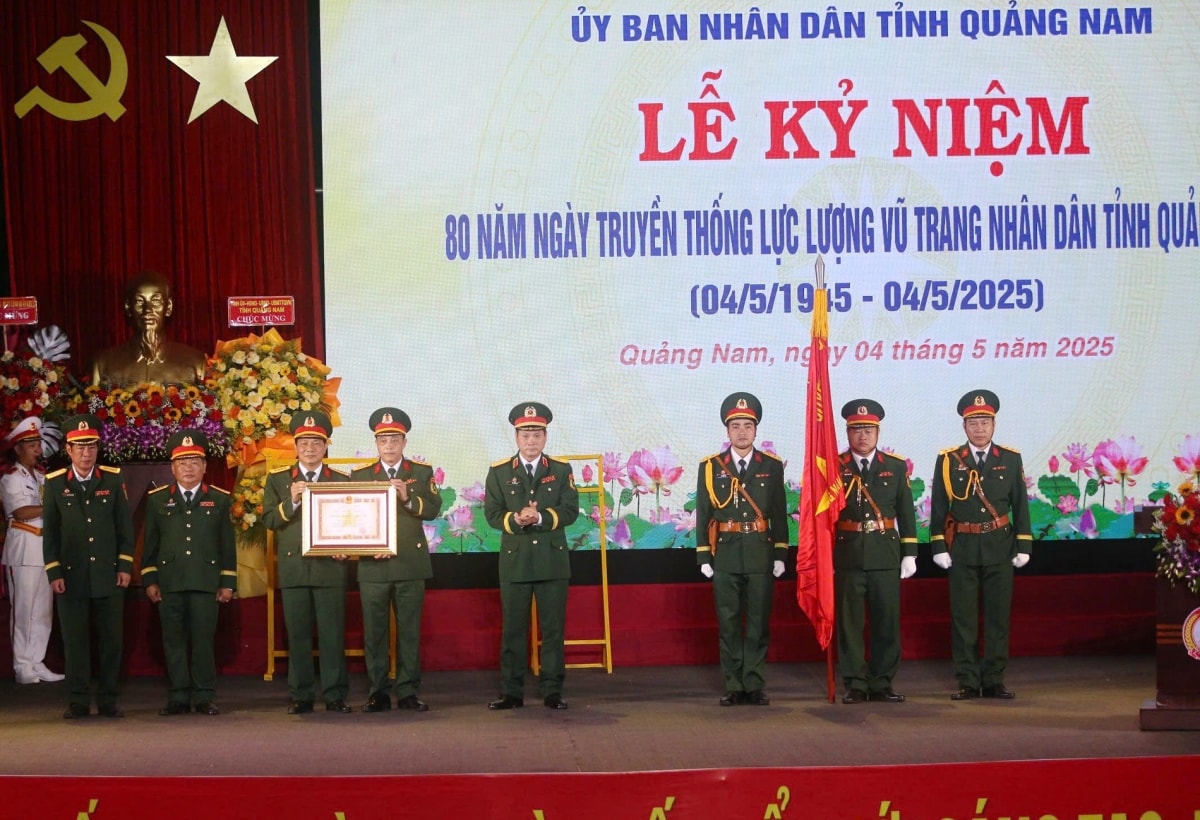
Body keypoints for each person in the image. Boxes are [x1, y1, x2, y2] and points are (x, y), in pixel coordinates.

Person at [930, 390, 1032, 700]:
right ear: (964, 426)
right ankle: (967, 680)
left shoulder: (1010, 458)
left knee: (998, 618)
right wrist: (938, 546)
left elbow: (1020, 505)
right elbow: (939, 506)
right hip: (962, 547)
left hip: (1000, 546)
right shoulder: (948, 459)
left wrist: (1024, 545)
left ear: (994, 425)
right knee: (963, 619)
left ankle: (994, 679)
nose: (979, 429)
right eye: (973, 423)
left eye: (985, 422)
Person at [694, 392, 789, 706]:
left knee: (758, 623)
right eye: (735, 426)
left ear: (756, 430)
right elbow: (704, 513)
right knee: (729, 623)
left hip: (760, 552)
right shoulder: (711, 467)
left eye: (748, 425)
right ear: (727, 430)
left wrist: (780, 554)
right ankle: (734, 684)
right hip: (726, 553)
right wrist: (703, 555)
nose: (742, 432)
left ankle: (754, 683)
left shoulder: (771, 466)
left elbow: (778, 513)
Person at [484, 402, 579, 710]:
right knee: (513, 630)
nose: (531, 441)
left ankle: (552, 690)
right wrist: (516, 519)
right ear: (516, 437)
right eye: (525, 435)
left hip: (552, 561)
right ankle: (511, 692)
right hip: (515, 562)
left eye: (537, 435)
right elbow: (492, 514)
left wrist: (539, 517)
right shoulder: (499, 472)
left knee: (553, 630)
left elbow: (570, 511)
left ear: (545, 437)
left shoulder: (561, 470)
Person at [351, 407, 443, 713]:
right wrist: (366, 548)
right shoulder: (361, 476)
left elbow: (433, 510)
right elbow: (352, 519)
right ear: (376, 443)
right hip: (373, 566)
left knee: (409, 632)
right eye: (383, 440)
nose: (389, 445)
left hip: (409, 564)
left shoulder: (421, 472)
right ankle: (377, 692)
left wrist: (408, 498)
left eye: (394, 440)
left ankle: (408, 691)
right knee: (374, 633)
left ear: (404, 442)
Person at [43, 414, 134, 718]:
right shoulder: (55, 483)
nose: (86, 453)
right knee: (75, 643)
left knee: (111, 643)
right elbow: (51, 532)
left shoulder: (113, 478)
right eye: (80, 447)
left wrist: (124, 565)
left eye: (91, 446)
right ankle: (78, 701)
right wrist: (54, 571)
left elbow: (125, 528)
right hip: (72, 576)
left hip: (108, 574)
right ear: (68, 450)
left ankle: (108, 700)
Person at [262, 411, 352, 714]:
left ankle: (335, 695)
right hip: (294, 568)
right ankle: (301, 695)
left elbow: (351, 522)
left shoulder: (340, 480)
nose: (310, 449)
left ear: (326, 446)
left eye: (316, 443)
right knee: (297, 635)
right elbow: (270, 520)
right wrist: (292, 501)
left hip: (331, 568)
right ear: (295, 446)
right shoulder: (278, 480)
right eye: (304, 443)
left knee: (332, 634)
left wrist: (346, 548)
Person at [141, 430, 236, 716]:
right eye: (182, 463)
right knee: (174, 641)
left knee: (203, 642)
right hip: (169, 583)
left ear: (205, 466)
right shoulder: (157, 500)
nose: (189, 468)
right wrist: (150, 579)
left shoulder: (219, 499)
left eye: (195, 462)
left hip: (206, 582)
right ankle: (179, 696)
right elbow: (150, 544)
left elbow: (227, 545)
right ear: (173, 468)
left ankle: (204, 695)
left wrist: (227, 582)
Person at [834, 400, 918, 704]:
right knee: (850, 624)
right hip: (848, 554)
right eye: (856, 429)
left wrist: (910, 553)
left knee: (886, 621)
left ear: (878, 432)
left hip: (885, 554)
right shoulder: (834, 466)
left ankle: (882, 681)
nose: (863, 436)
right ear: (848, 432)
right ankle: (855, 683)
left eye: (868, 429)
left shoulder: (894, 466)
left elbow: (906, 512)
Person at [1, 416, 63, 685]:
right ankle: (22, 665)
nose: (38, 449)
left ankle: (37, 661)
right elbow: (20, 512)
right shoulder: (11, 478)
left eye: (38, 443)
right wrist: (54, 506)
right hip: (24, 550)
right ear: (18, 449)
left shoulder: (41, 476)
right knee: (24, 610)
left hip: (44, 550)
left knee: (42, 610)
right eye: (32, 445)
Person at [89, 271, 207, 386]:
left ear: (168, 307)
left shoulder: (195, 362)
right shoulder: (104, 363)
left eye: (156, 301)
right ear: (128, 307)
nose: (148, 310)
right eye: (139, 301)